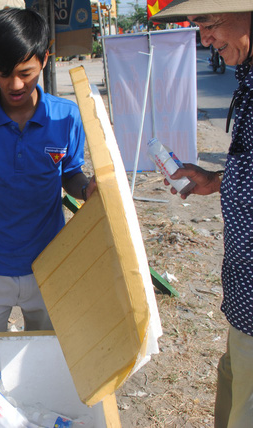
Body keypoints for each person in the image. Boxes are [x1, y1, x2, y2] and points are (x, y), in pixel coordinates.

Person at [0, 8, 97, 334]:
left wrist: (86, 190)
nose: (15, 84)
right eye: (3, 72)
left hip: (51, 263)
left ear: (45, 59)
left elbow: (71, 172)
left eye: (26, 72)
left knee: (52, 353)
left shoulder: (66, 118)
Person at [152, 2, 253, 427]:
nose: (205, 38)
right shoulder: (246, 76)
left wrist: (229, 182)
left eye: (210, 24)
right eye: (199, 27)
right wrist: (216, 179)